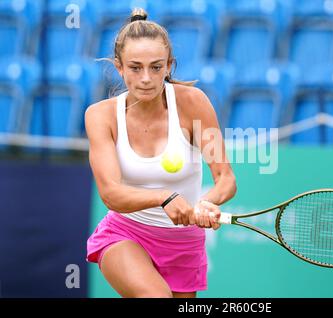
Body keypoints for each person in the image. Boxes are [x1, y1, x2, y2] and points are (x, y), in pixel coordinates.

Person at [85, 8, 236, 298]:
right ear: (119, 67)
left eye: (156, 67)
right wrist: (163, 197)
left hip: (184, 244)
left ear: (169, 65)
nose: (145, 78)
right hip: (126, 234)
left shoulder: (194, 103)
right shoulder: (100, 116)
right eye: (135, 67)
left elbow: (226, 178)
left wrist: (206, 203)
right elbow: (110, 194)